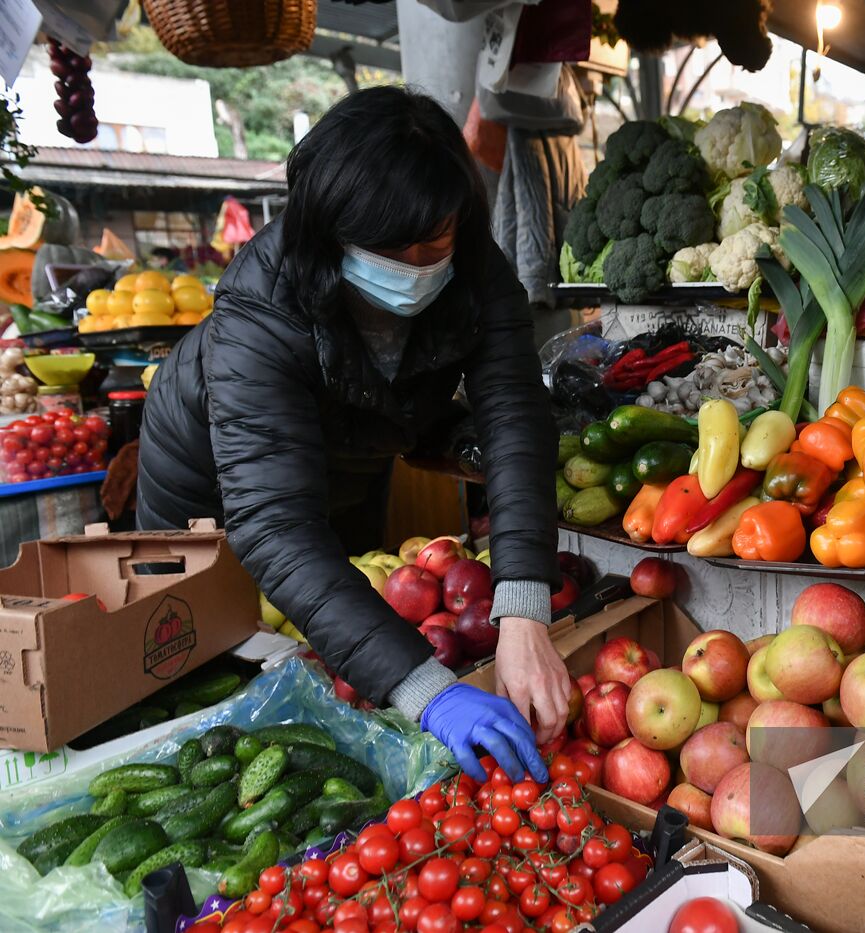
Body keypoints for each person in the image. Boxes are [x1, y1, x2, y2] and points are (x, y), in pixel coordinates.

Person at [135, 87, 571, 783]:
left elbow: (515, 415)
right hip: (207, 484)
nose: (419, 263)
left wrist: (522, 609)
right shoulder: (261, 305)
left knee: (338, 636)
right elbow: (274, 524)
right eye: (392, 248)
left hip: (352, 458)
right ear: (333, 232)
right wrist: (428, 690)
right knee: (210, 678)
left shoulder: (475, 271)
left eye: (438, 239)